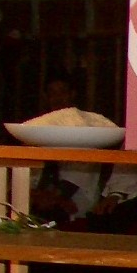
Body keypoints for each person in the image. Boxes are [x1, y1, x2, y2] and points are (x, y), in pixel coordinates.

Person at [28, 73, 105, 228]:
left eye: (62, 92)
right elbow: (29, 179)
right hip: (41, 201)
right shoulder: (36, 129)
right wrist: (34, 195)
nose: (57, 98)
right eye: (52, 93)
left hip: (75, 204)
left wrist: (56, 198)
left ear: (72, 94)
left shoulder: (87, 129)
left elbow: (75, 179)